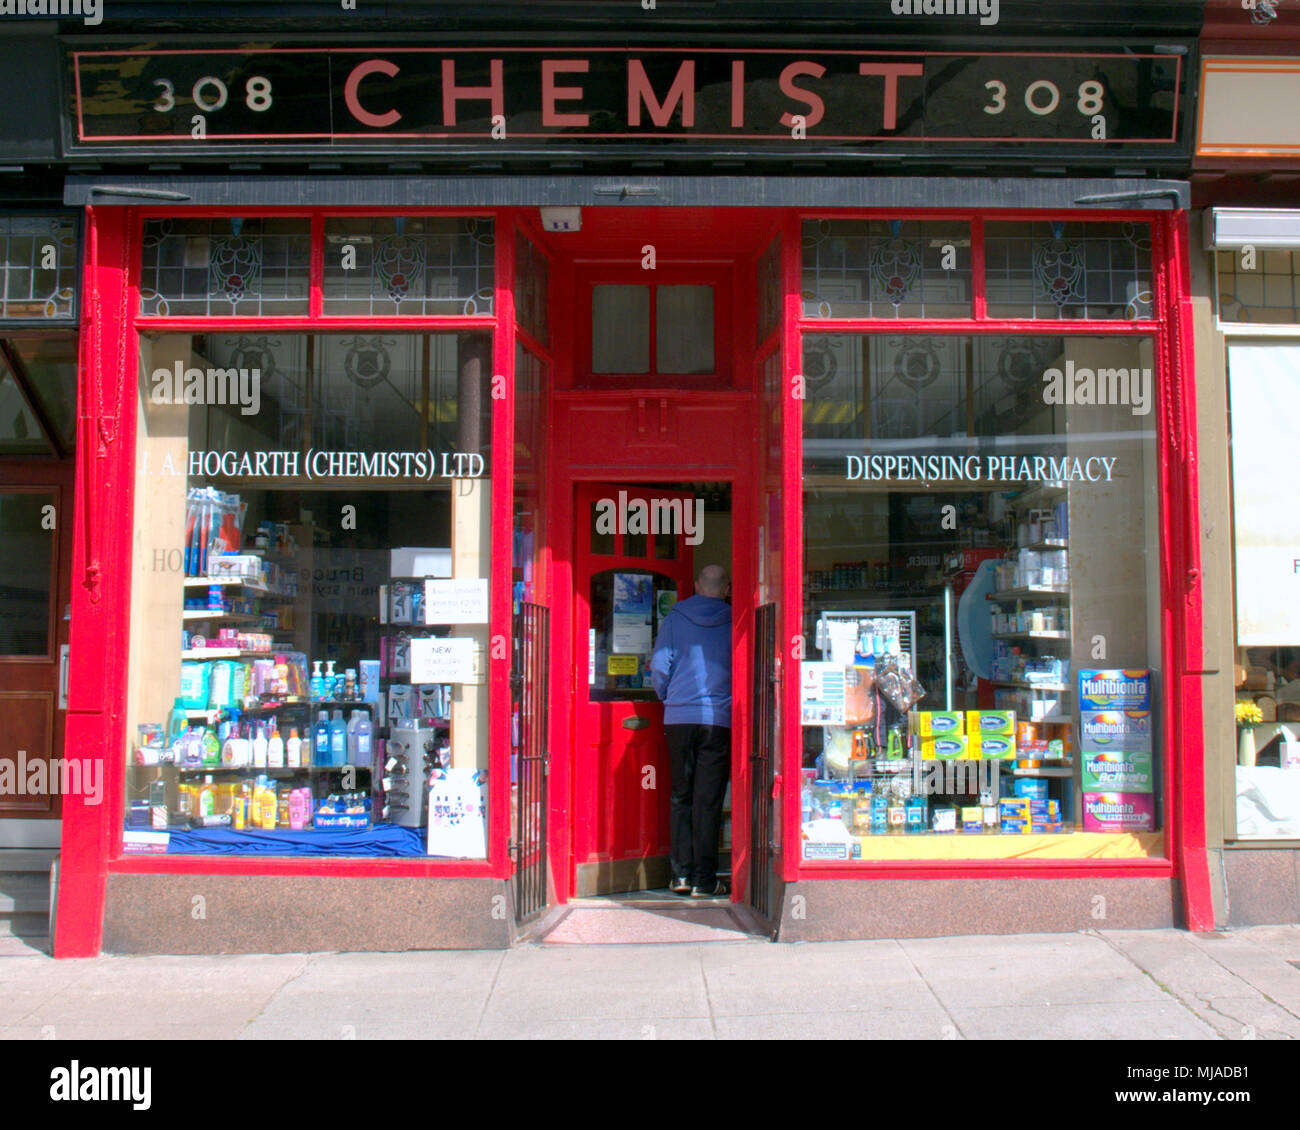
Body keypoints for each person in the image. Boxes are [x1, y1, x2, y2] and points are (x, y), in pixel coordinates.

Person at [649, 564, 732, 898]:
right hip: (718, 719)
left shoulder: (674, 618)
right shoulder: (734, 620)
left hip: (679, 718)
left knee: (680, 796)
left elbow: (659, 666)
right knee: (708, 801)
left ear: (697, 585)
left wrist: (667, 696)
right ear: (726, 588)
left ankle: (680, 875)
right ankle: (704, 879)